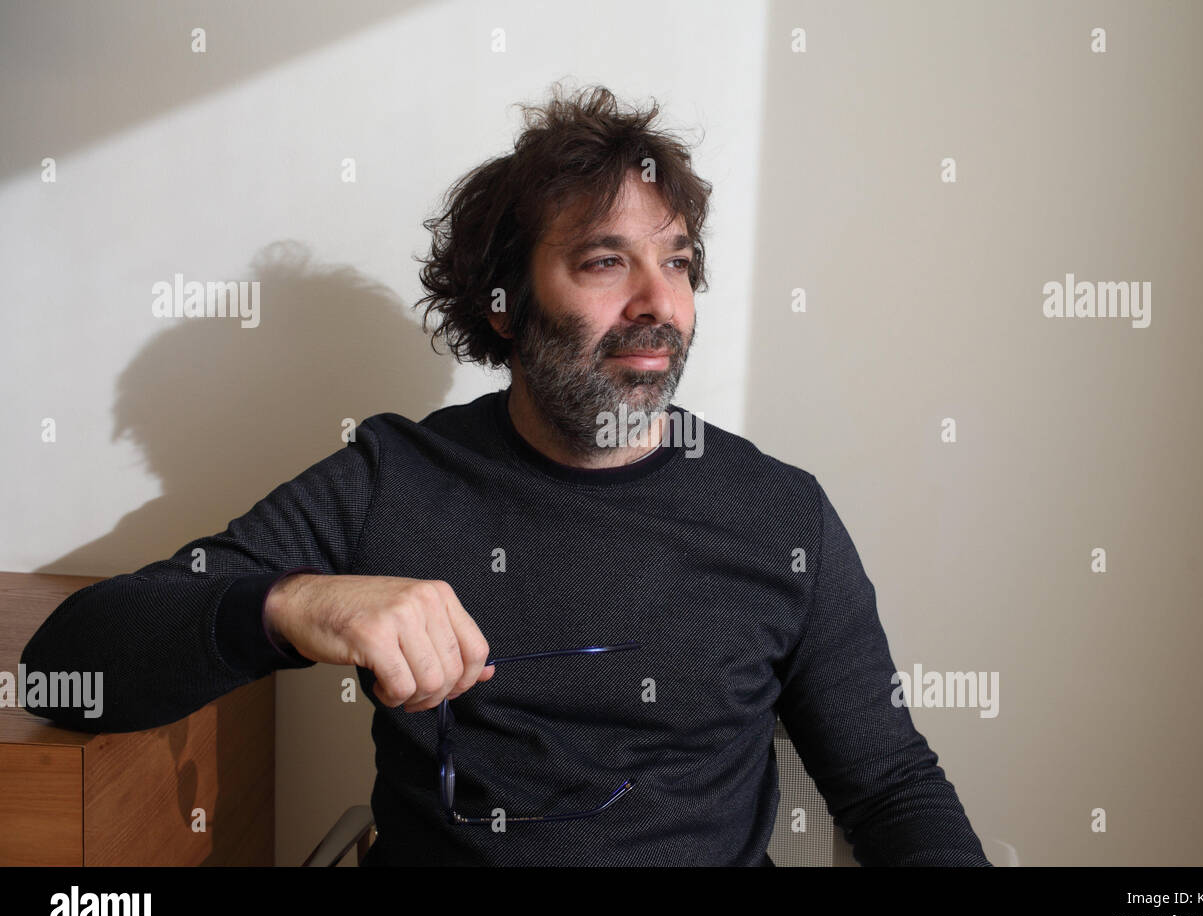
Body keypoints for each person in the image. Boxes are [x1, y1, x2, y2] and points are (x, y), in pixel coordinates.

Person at [22, 83, 991, 867]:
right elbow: (65, 668)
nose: (661, 302)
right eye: (606, 261)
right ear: (503, 303)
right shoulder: (395, 477)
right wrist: (292, 603)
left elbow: (888, 783)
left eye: (679, 263)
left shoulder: (781, 514)